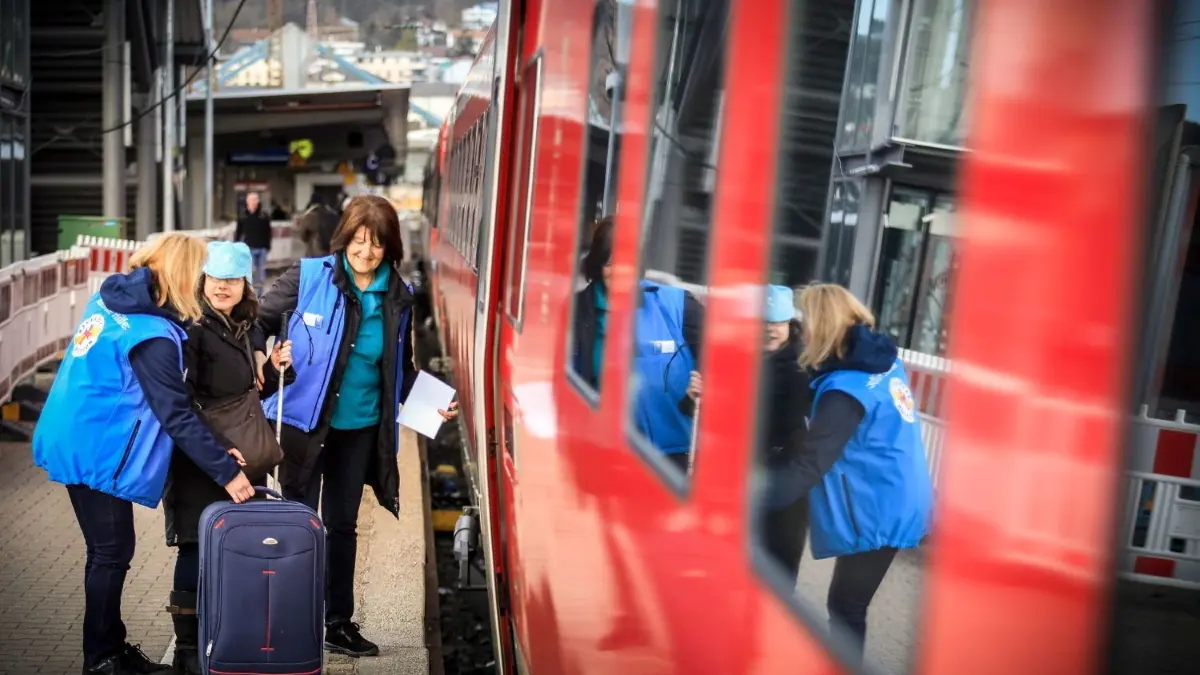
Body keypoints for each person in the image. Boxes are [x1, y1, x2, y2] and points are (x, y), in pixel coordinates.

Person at [32, 233, 256, 675]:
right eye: (197, 275)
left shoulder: (115, 301)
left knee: (109, 550)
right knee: (111, 552)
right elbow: (175, 413)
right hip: (98, 449)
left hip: (75, 432)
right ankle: (102, 659)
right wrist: (227, 470)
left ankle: (109, 649)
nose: (201, 285)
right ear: (180, 275)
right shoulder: (151, 334)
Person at [252, 194, 458, 657]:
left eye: (377, 245)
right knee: (298, 524)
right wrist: (269, 355)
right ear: (344, 238)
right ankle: (287, 620)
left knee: (342, 526)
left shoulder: (398, 297)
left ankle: (337, 622)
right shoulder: (308, 277)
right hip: (304, 425)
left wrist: (431, 404)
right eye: (359, 242)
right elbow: (255, 320)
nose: (366, 253)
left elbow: (396, 369)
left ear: (390, 249)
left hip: (360, 428)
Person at [161, 241, 294, 674]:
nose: (222, 287)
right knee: (194, 546)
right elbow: (184, 400)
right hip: (199, 458)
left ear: (244, 284)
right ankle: (186, 653)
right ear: (203, 280)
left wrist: (274, 370)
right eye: (215, 279)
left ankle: (217, 637)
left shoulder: (239, 325)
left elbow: (245, 393)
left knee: (220, 546)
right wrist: (219, 453)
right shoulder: (193, 326)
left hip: (229, 457)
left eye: (231, 280)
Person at [790, 283, 933, 660]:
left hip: (877, 506)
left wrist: (749, 497)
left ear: (822, 326)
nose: (800, 330)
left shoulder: (846, 391)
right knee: (847, 603)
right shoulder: (881, 360)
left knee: (846, 606)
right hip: (899, 492)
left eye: (805, 322)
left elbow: (808, 464)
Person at [684, 284, 812, 579]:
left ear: (789, 324)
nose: (769, 330)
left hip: (783, 484)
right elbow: (702, 416)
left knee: (777, 572)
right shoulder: (730, 359)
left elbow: (794, 425)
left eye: (777, 323)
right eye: (762, 322)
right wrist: (695, 398)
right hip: (733, 480)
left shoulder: (805, 366)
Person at [570, 217, 703, 472]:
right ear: (598, 264)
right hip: (604, 453)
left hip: (672, 457)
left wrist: (699, 392)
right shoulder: (576, 312)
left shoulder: (677, 305)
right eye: (610, 262)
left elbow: (721, 358)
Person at [235, 191, 273, 290]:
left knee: (261, 272)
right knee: (250, 271)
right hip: (249, 248)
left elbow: (268, 232)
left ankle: (260, 294)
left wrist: (268, 246)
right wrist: (236, 246)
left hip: (262, 248)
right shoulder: (243, 215)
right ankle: (250, 293)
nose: (253, 202)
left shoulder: (264, 215)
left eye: (255, 199)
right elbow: (238, 232)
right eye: (251, 199)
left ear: (258, 201)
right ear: (247, 201)